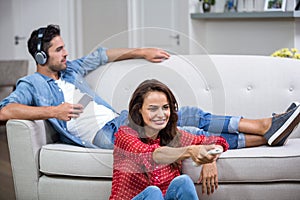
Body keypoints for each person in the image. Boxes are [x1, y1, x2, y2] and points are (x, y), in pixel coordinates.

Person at [0, 24, 300, 194]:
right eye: (58, 50)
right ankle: (266, 131)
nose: (66, 53)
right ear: (41, 56)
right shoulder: (31, 84)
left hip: (117, 119)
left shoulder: (71, 69)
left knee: (190, 115)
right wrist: (51, 113)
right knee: (186, 132)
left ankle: (265, 127)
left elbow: (103, 55)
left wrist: (142, 51)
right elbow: (4, 111)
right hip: (103, 135)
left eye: (64, 48)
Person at [109, 79, 230, 200]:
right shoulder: (125, 135)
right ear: (139, 110)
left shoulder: (174, 136)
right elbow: (152, 155)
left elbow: (217, 141)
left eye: (165, 107)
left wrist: (210, 159)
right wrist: (190, 150)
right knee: (153, 192)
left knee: (183, 181)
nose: (161, 114)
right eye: (153, 109)